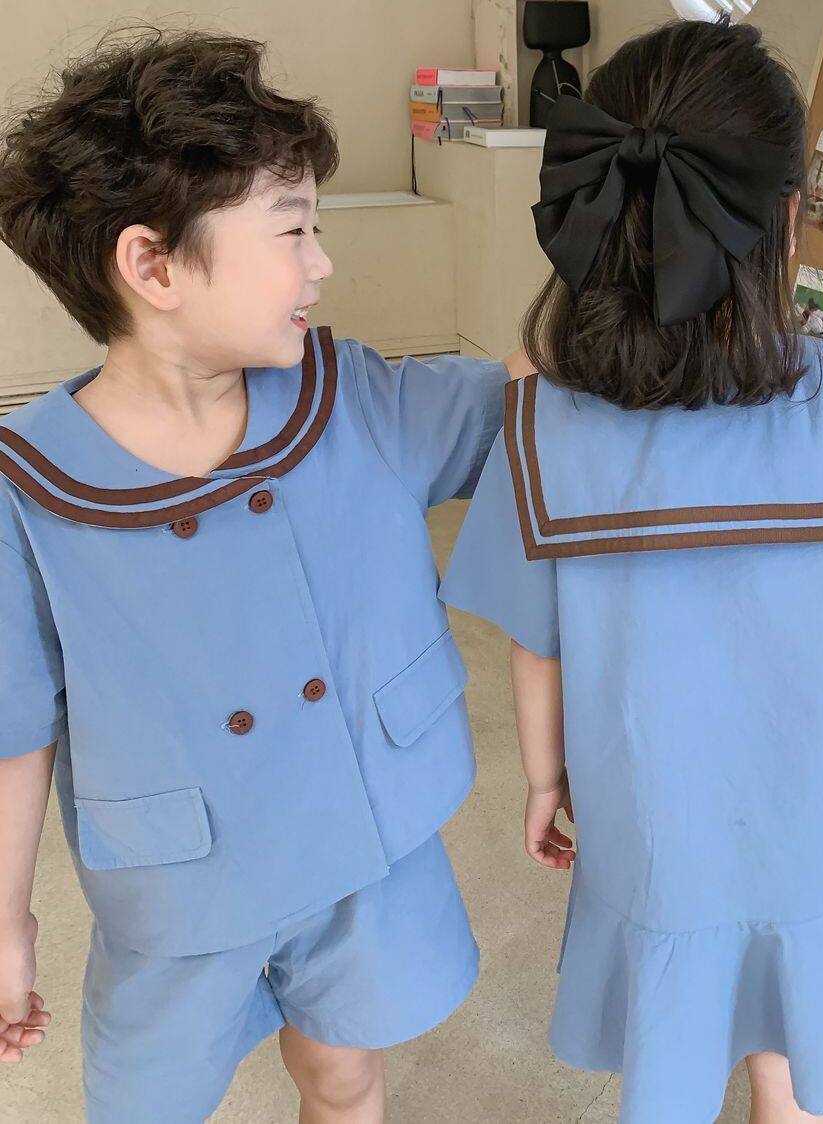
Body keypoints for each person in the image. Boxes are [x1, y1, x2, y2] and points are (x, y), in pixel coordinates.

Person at [440, 18, 823, 1124]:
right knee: (793, 1040)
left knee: (671, 1046)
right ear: (786, 217)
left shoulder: (540, 424)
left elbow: (537, 644)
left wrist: (544, 779)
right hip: (810, 806)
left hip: (651, 819)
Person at [0, 28, 524, 1122]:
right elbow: (14, 728)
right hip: (183, 885)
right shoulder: (30, 489)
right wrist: (7, 921)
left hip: (367, 840)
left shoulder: (354, 397)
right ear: (152, 265)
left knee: (345, 1072)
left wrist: (617, 268)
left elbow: (520, 410)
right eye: (293, 230)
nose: (320, 262)